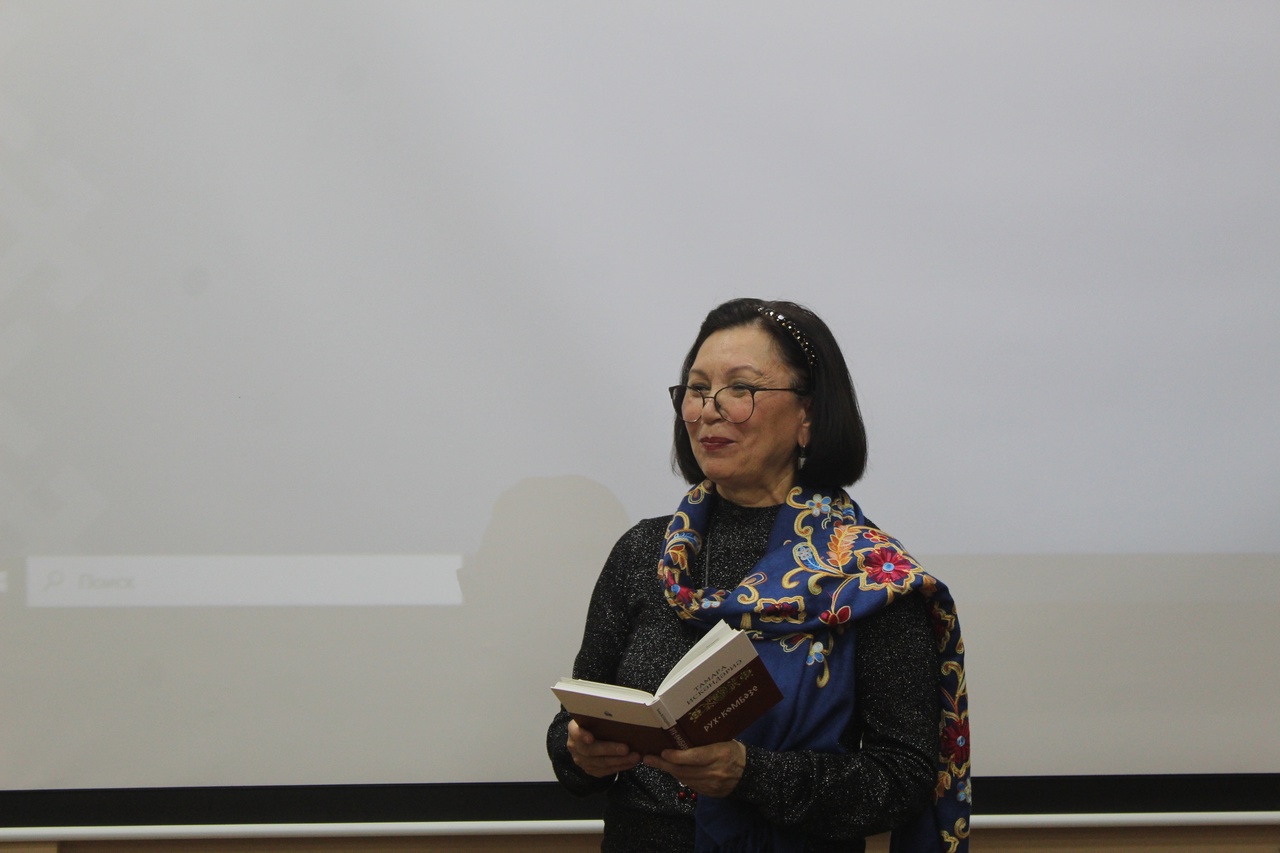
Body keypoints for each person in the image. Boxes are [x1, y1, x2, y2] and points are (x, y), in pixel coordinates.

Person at [547, 298, 970, 853]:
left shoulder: (867, 576)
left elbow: (903, 781)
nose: (709, 411)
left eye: (740, 389)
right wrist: (579, 751)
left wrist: (750, 774)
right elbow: (575, 721)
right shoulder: (644, 553)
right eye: (697, 390)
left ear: (808, 415)